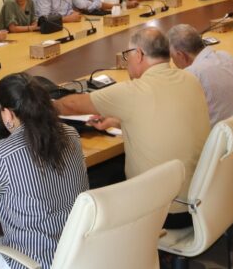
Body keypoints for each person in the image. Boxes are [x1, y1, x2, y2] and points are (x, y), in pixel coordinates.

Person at [53, 27, 209, 229]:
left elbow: (71, 105)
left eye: (128, 55)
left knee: (97, 178)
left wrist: (40, 104)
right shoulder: (190, 79)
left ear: (139, 54)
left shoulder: (132, 92)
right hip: (200, 201)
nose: (127, 61)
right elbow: (161, 115)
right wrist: (115, 121)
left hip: (163, 212)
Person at [0, 73, 88, 269]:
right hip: (76, 255)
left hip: (33, 262)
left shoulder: (1, 154)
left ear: (8, 114)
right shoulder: (71, 135)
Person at [167, 24, 233, 126]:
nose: (173, 62)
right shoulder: (226, 56)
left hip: (222, 134)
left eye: (172, 57)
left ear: (180, 55)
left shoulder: (192, 75)